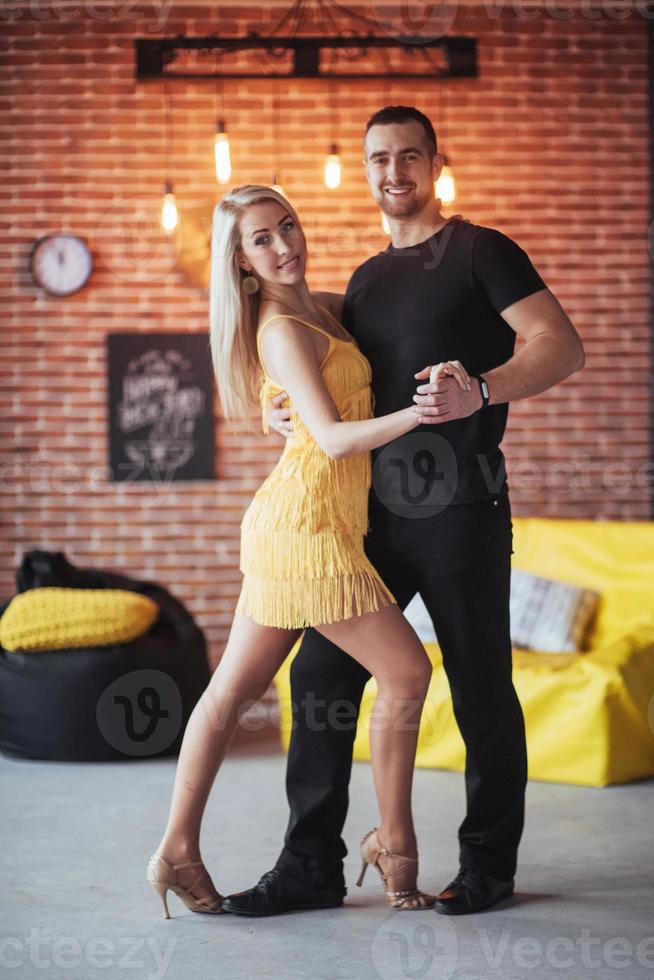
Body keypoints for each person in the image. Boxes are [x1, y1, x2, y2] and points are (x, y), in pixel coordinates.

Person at [222, 106, 586, 918]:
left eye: (410, 156)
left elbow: (561, 345)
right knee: (319, 679)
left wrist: (483, 389)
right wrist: (279, 413)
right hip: (370, 521)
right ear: (368, 170)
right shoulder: (362, 279)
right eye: (379, 158)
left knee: (481, 690)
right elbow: (325, 381)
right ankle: (310, 865)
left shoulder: (481, 251)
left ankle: (486, 868)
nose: (395, 172)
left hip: (463, 513)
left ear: (434, 163)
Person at [146, 182, 472, 919]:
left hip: (304, 526)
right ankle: (395, 843)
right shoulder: (282, 327)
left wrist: (270, 404)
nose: (285, 245)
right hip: (307, 534)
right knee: (408, 672)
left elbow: (373, 314)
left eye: (287, 226)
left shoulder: (309, 306)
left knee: (227, 695)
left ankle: (176, 851)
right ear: (239, 261)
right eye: (261, 239)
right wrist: (416, 415)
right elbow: (328, 439)